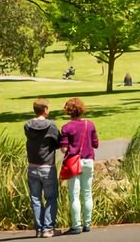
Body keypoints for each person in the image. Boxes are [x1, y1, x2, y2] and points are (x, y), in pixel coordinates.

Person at [60, 97, 99, 235]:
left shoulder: (66, 127)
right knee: (87, 193)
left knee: (74, 195)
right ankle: (87, 223)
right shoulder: (90, 124)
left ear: (68, 111)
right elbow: (95, 144)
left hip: (74, 163)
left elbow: (64, 149)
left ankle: (76, 226)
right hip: (88, 161)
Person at [24, 98, 59, 239]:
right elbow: (57, 141)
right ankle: (48, 228)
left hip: (32, 166)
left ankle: (39, 229)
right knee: (50, 197)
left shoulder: (27, 125)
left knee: (35, 199)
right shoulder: (51, 126)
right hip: (47, 166)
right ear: (45, 110)